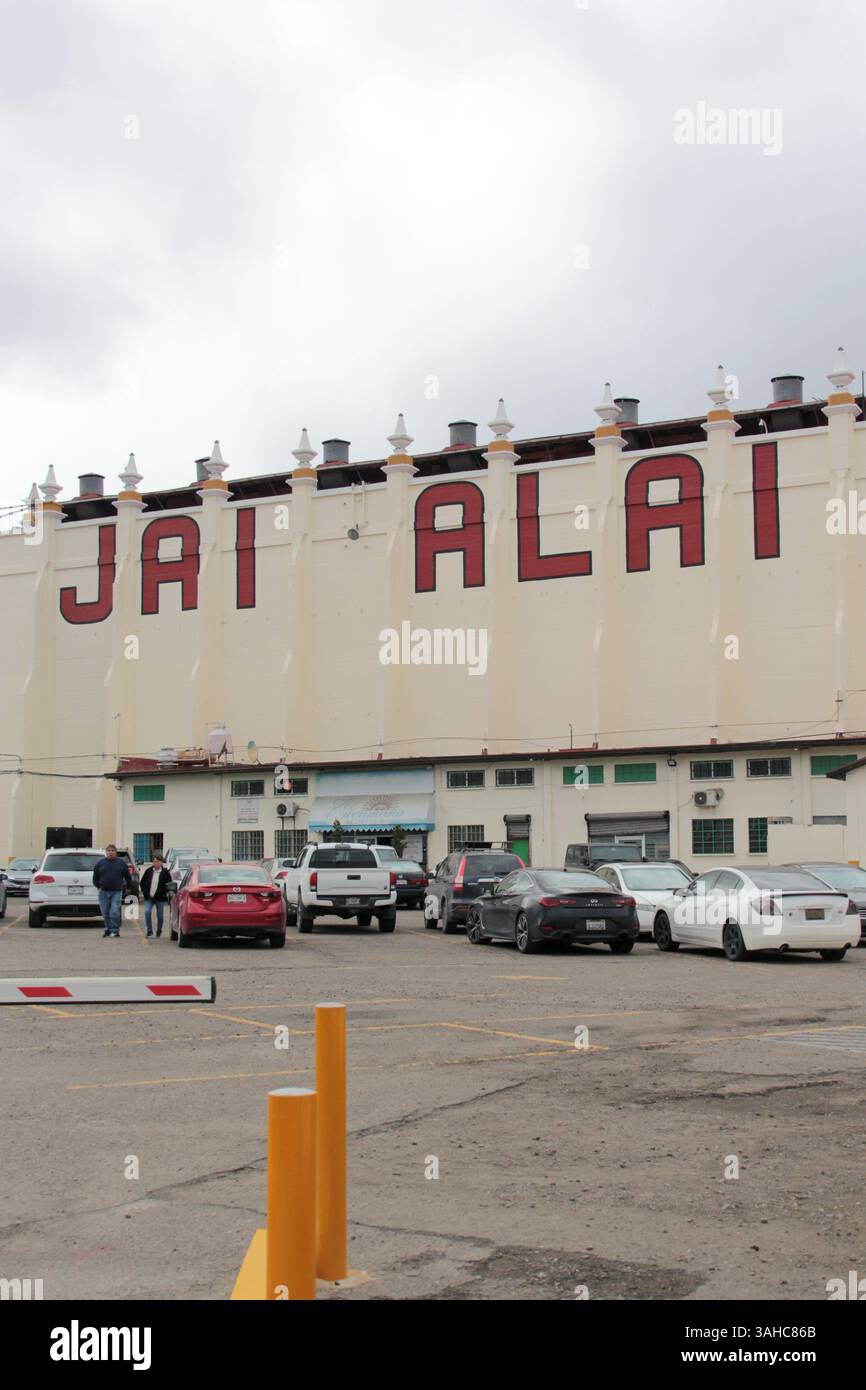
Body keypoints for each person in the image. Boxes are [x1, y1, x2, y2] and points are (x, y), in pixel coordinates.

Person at [92, 844, 132, 938]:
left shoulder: (121, 863)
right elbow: (95, 877)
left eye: (112, 850)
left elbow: (128, 877)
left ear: (115, 852)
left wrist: (128, 888)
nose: (110, 852)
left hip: (116, 891)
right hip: (103, 892)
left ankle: (115, 930)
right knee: (105, 912)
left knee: (114, 911)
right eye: (109, 850)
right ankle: (108, 930)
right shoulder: (100, 863)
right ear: (106, 852)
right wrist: (98, 886)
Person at [140, 854, 172, 938]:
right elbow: (142, 882)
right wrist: (145, 893)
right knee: (147, 912)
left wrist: (166, 893)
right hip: (149, 897)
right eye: (154, 861)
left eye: (157, 861)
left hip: (160, 898)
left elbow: (169, 884)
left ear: (161, 862)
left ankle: (159, 930)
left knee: (160, 916)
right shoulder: (149, 871)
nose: (156, 863)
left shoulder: (165, 872)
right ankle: (149, 931)